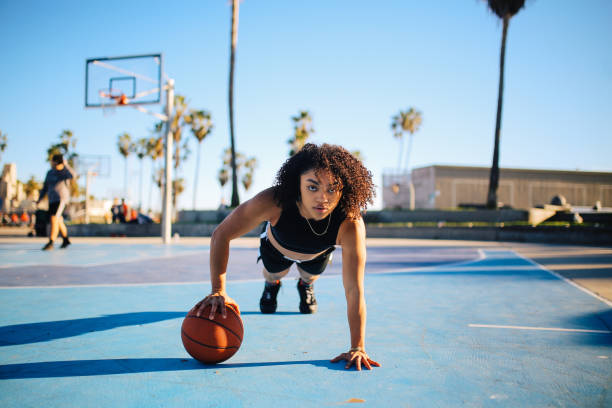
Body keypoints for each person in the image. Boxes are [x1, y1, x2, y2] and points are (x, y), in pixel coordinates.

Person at [193, 143, 381, 371]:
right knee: (274, 273)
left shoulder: (350, 223)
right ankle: (272, 284)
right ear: (297, 184)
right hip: (277, 248)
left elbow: (354, 289)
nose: (323, 198)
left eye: (332, 189)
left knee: (310, 276)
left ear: (344, 190)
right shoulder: (273, 201)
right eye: (313, 187)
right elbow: (221, 234)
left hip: (317, 254)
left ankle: (305, 285)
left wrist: (357, 347)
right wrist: (218, 289)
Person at [37, 154, 75, 250]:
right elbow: (45, 186)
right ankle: (65, 239)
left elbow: (73, 175)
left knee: (54, 218)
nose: (53, 164)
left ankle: (51, 242)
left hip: (61, 200)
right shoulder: (49, 172)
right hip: (52, 200)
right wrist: (40, 198)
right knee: (59, 220)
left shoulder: (64, 172)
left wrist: (65, 164)